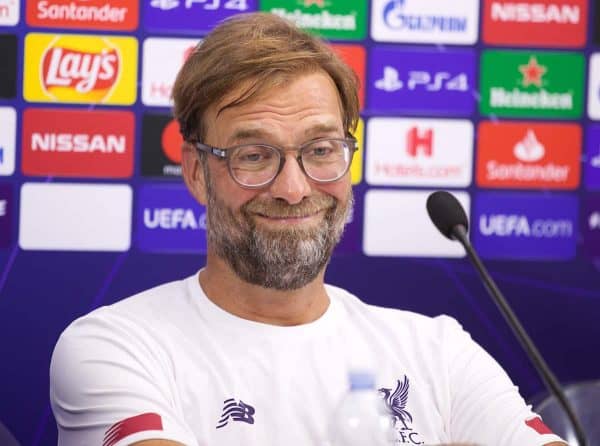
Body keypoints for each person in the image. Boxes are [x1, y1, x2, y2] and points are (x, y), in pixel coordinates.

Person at [49, 12, 567, 446]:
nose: (294, 188)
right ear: (194, 172)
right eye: (254, 155)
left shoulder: (436, 349)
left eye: (320, 150)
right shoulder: (114, 347)